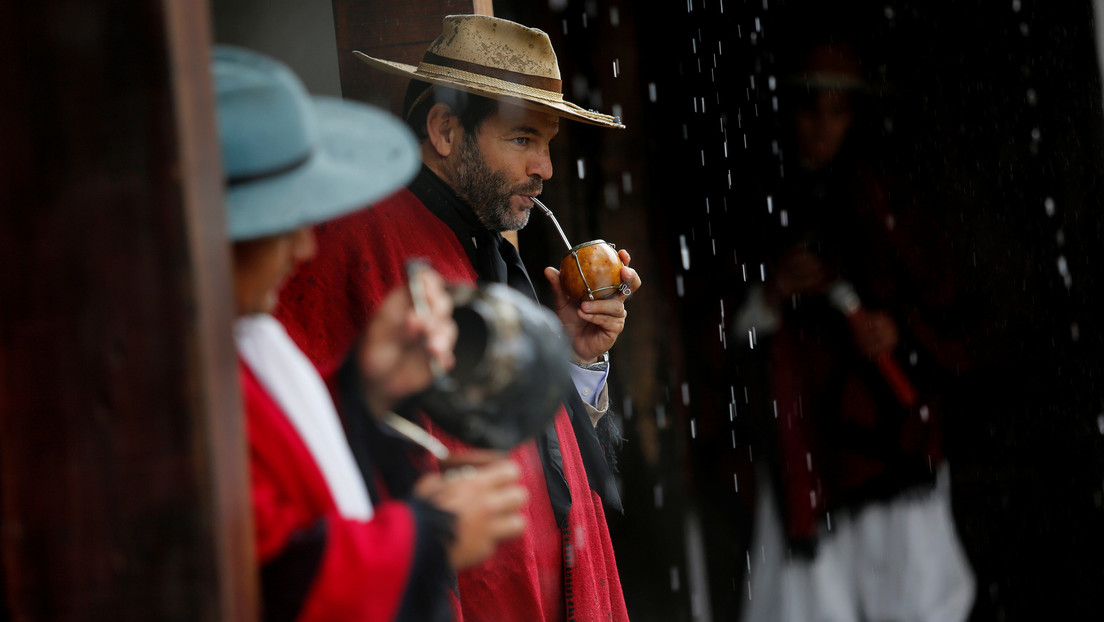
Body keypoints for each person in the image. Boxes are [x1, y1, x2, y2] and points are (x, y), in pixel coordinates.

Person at [274, 15, 641, 622]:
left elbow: (529, 440)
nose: (545, 169)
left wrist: (573, 356)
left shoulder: (484, 248)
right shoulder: (357, 242)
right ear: (445, 130)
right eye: (523, 139)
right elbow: (320, 449)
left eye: (547, 145)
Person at [214, 45, 528, 622]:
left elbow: (298, 465)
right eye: (282, 223)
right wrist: (426, 537)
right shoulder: (175, 384)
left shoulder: (240, 339)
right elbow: (265, 572)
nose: (305, 247)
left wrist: (363, 388)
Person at [731, 41, 976, 621]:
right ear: (790, 112)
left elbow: (946, 304)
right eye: (811, 108)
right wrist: (772, 291)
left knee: (920, 594)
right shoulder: (760, 198)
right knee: (809, 600)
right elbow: (722, 330)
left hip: (886, 432)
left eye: (837, 111)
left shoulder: (886, 198)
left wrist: (901, 332)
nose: (821, 126)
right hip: (805, 438)